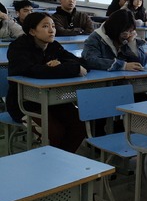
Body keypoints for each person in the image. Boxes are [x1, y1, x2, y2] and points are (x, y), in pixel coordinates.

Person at [6, 12, 88, 152]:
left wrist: (61, 65)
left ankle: (61, 159)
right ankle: (49, 161)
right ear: (32, 31)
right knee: (54, 133)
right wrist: (65, 69)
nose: (52, 30)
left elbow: (82, 63)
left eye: (53, 26)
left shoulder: (53, 46)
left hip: (53, 101)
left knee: (80, 124)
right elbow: (33, 71)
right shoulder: (18, 48)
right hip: (24, 104)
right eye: (45, 26)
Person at [82, 9, 147, 72]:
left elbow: (142, 63)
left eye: (130, 31)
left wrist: (132, 43)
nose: (127, 35)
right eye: (124, 32)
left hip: (123, 76)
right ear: (115, 29)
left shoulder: (129, 37)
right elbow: (90, 60)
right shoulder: (95, 38)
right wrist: (123, 66)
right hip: (101, 77)